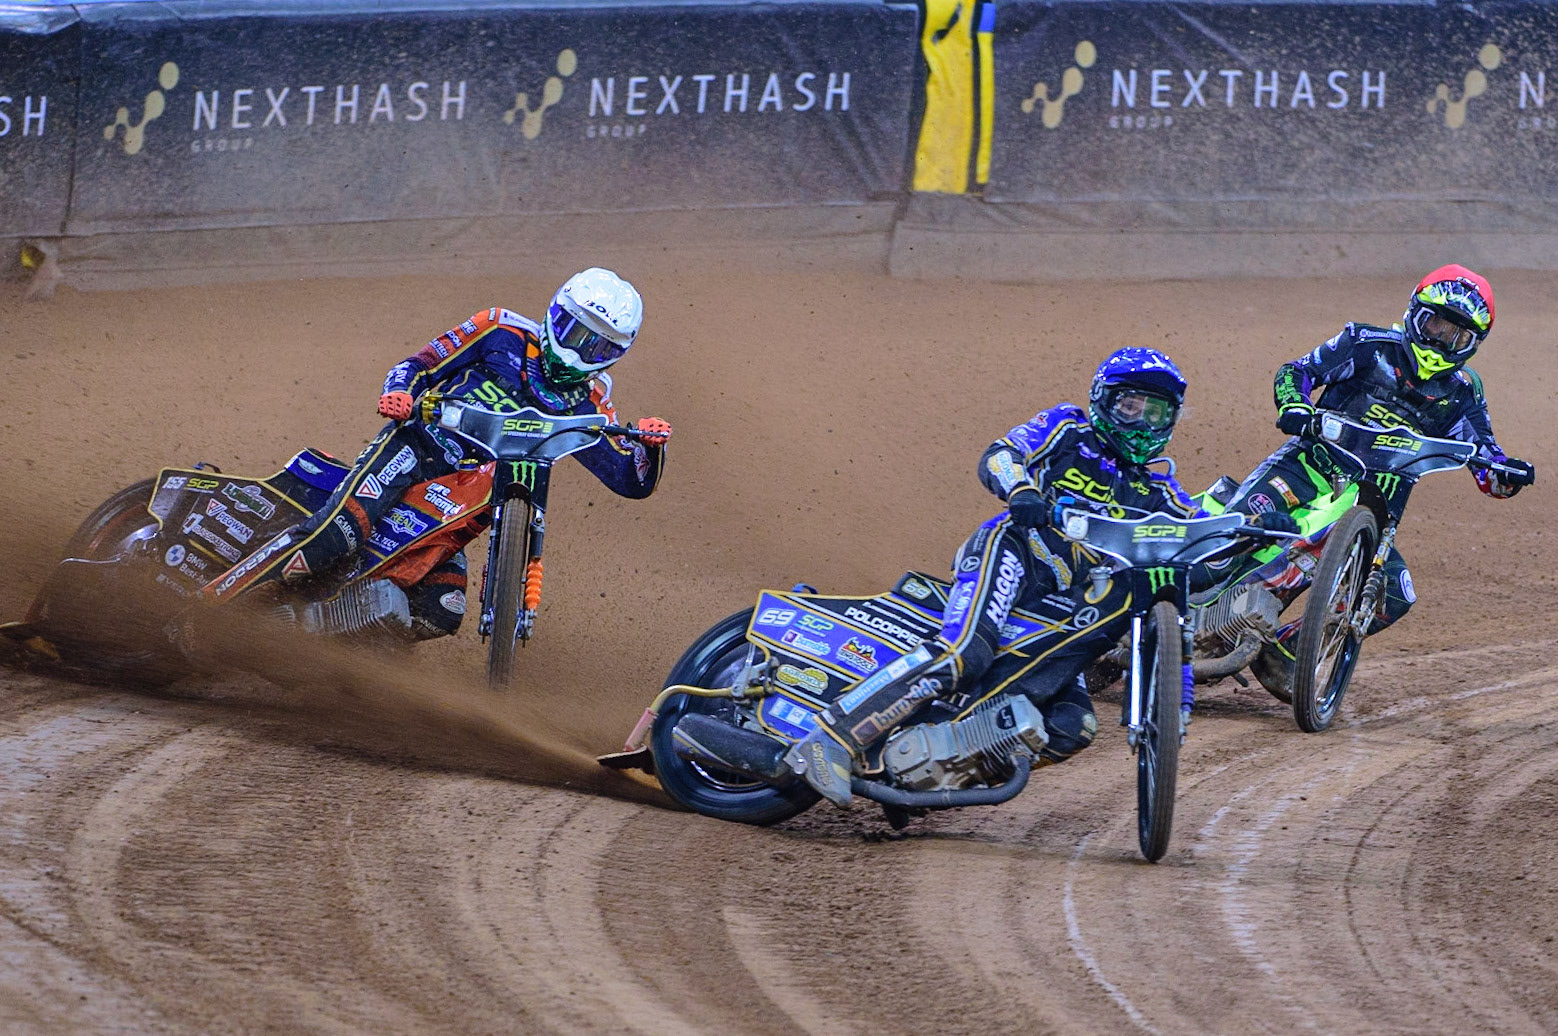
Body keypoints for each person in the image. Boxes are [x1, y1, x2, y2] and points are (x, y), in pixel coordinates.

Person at [787, 348, 1218, 807]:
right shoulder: (1068, 429)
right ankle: (830, 737)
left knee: (1073, 726)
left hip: (1063, 603)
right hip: (1013, 552)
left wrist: (1255, 531)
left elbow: (1199, 531)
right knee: (963, 654)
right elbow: (1001, 454)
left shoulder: (1156, 491)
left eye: (1156, 413)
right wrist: (1021, 489)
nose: (1142, 423)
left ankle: (925, 774)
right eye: (1130, 406)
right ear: (1103, 400)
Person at [204, 267, 672, 638]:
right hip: (416, 451)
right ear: (554, 313)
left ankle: (308, 647)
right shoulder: (499, 330)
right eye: (573, 331)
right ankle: (206, 613)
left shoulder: (591, 403)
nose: (577, 351)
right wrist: (400, 393)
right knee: (335, 538)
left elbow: (630, 480)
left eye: (597, 345)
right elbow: (419, 365)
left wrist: (649, 448)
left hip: (463, 504)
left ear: (616, 355)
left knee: (440, 612)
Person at [1230, 264, 1535, 687]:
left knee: (1396, 593)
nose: (1442, 340)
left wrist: (1508, 473)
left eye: (1457, 336)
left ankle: (1284, 655)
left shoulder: (1463, 393)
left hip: (1373, 516)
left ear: (1473, 344)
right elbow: (1296, 371)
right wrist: (1295, 406)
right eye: (1436, 325)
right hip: (1307, 467)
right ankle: (1162, 605)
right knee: (1236, 528)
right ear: (1415, 313)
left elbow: (1487, 464)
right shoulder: (1366, 343)